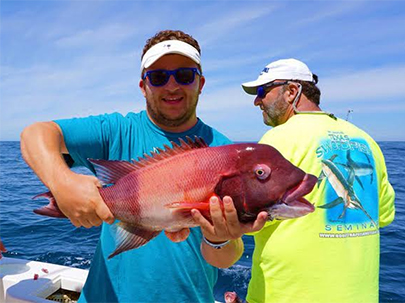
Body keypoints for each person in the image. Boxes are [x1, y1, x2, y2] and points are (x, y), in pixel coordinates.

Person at [20, 30, 267, 303]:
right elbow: (35, 134)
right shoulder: (118, 130)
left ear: (201, 82)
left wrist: (219, 238)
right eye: (158, 77)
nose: (172, 86)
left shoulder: (223, 151)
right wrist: (63, 182)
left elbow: (223, 258)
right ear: (143, 86)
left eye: (184, 75)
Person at [240, 58, 396, 303]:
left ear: (292, 91)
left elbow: (249, 221)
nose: (257, 101)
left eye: (262, 92)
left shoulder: (276, 141)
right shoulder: (367, 141)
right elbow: (384, 216)